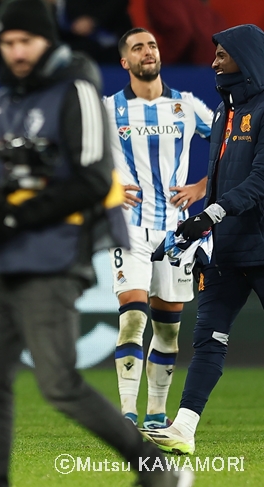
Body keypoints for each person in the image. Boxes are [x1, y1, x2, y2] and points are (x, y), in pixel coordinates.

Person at [0, 0, 193, 487]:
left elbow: (89, 178)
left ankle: (156, 470)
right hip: (2, 260)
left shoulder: (75, 91)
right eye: (7, 41)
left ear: (46, 40)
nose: (16, 51)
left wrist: (16, 215)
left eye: (26, 40)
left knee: (58, 383)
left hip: (54, 256)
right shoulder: (0, 101)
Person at [142, 24, 264, 456]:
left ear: (246, 58)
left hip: (262, 247)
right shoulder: (223, 111)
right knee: (207, 340)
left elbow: (259, 182)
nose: (213, 62)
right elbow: (217, 186)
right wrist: (190, 234)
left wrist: (209, 214)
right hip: (227, 251)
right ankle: (184, 428)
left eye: (222, 55)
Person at [105, 27, 213, 430]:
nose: (147, 51)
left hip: (177, 234)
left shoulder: (186, 106)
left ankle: (155, 415)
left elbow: (228, 141)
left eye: (151, 45)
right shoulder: (108, 109)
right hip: (128, 229)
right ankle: (127, 415)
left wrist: (202, 187)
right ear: (125, 62)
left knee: (168, 332)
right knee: (132, 317)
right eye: (137, 47)